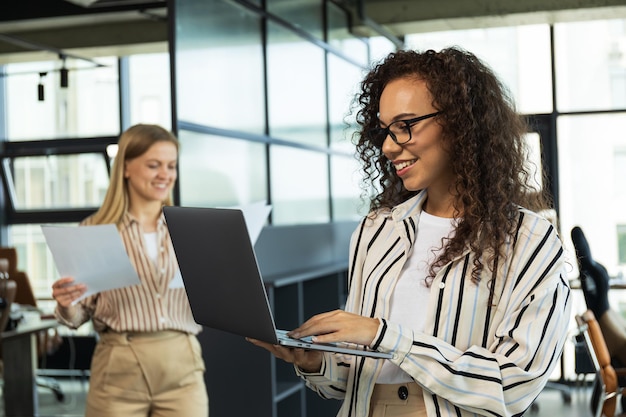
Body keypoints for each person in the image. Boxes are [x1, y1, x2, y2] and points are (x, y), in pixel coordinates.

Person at [248, 47, 572, 417]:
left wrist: (387, 336)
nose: (388, 146)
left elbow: (514, 386)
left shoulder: (530, 242)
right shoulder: (377, 230)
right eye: (385, 130)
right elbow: (352, 378)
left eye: (406, 126)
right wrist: (313, 362)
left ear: (460, 122)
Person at [51, 124, 208, 417]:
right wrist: (66, 304)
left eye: (171, 166)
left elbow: (209, 300)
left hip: (182, 368)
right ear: (125, 168)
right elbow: (78, 314)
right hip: (119, 370)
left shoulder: (191, 230)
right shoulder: (95, 231)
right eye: (153, 165)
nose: (165, 174)